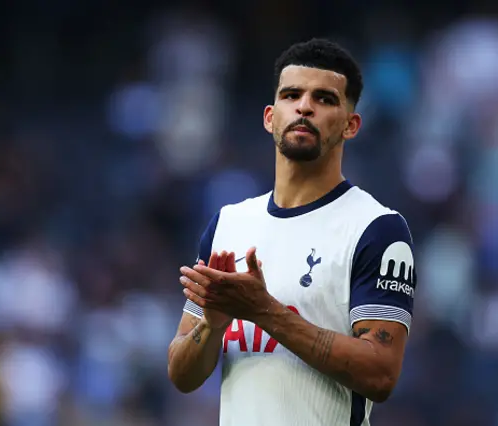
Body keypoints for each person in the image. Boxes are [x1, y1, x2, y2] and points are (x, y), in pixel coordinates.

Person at [167, 38, 417, 426]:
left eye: (324, 99)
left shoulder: (377, 229)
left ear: (351, 125)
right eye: (291, 95)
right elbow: (182, 375)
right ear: (270, 117)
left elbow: (381, 375)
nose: (304, 106)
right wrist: (211, 325)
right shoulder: (229, 224)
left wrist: (264, 311)